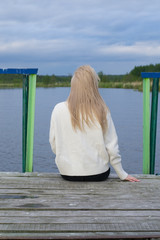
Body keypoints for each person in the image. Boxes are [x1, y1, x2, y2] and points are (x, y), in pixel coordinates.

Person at [49, 65, 139, 182]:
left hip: (67, 174)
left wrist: (69, 160)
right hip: (98, 174)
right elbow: (112, 147)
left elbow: (54, 143)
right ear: (93, 85)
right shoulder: (101, 110)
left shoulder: (58, 109)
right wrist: (122, 173)